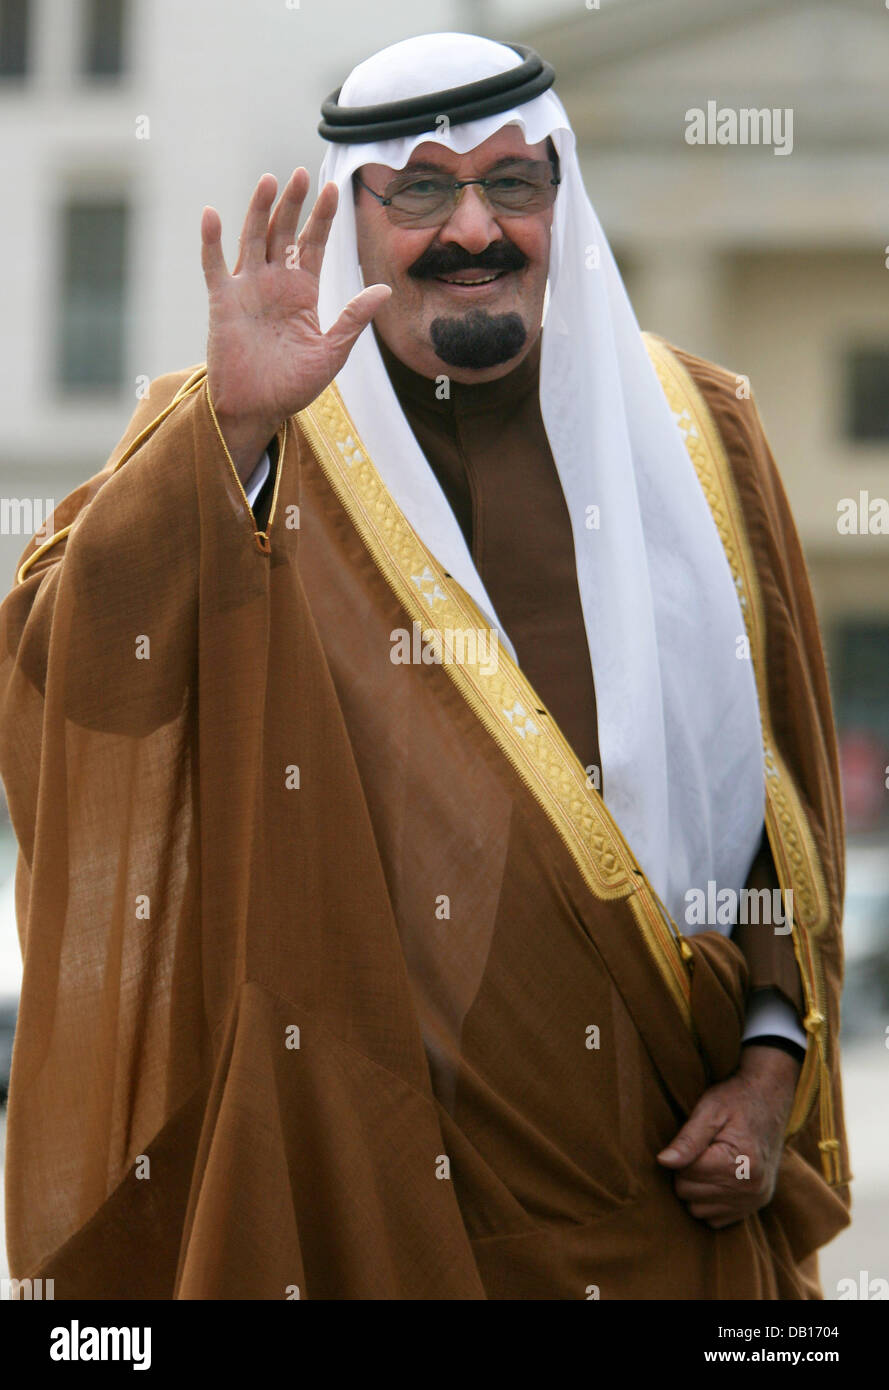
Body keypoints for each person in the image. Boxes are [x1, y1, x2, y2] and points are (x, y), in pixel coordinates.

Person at [0, 32, 849, 1300]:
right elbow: (71, 674)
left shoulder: (702, 431)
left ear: (559, 199)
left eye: (513, 183)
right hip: (374, 1215)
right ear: (355, 214)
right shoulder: (247, 430)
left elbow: (779, 812)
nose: (474, 228)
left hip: (680, 1210)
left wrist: (772, 1061)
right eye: (420, 191)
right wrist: (228, 433)